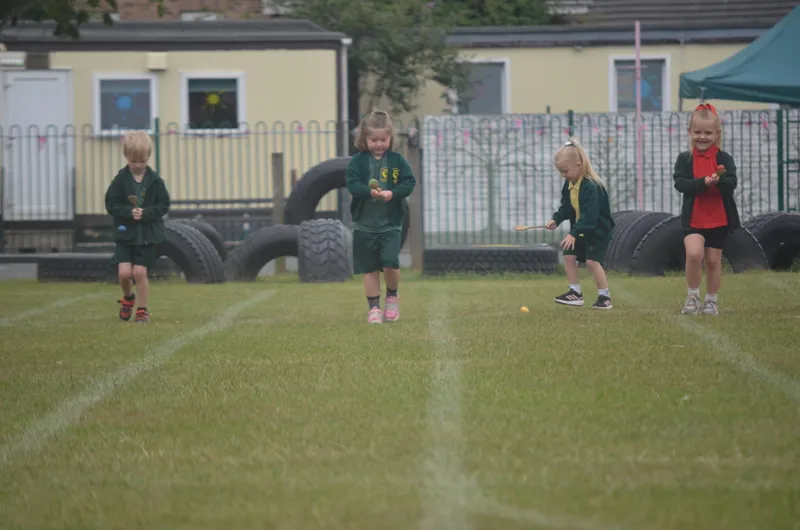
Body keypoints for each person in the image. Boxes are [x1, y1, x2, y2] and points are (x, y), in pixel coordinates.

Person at [345, 109, 416, 324]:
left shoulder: (397, 160)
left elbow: (409, 183)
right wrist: (370, 192)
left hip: (391, 224)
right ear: (364, 139)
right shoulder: (357, 162)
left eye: (383, 139)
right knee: (370, 269)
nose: (378, 144)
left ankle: (392, 297)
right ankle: (374, 308)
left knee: (390, 264)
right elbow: (352, 184)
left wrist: (392, 193)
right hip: (365, 226)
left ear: (390, 138)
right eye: (373, 139)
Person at [673, 102, 739, 316]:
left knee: (712, 261)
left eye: (708, 133)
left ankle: (711, 300)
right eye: (698, 132)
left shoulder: (724, 158)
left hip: (718, 218)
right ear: (689, 132)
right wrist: (703, 182)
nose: (702, 137)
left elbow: (731, 184)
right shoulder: (684, 159)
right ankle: (692, 296)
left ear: (717, 134)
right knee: (693, 253)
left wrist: (718, 179)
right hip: (693, 218)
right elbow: (681, 184)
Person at [104, 130, 171, 323]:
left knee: (139, 273)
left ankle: (142, 310)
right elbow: (111, 204)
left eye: (142, 160)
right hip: (126, 235)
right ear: (126, 157)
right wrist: (128, 213)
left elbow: (163, 205)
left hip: (147, 234)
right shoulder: (120, 180)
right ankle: (128, 299)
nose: (138, 165)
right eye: (134, 161)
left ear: (148, 157)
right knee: (124, 273)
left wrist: (146, 213)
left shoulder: (156, 182)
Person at [546, 138, 615, 309]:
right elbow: (567, 207)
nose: (564, 175)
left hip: (597, 231)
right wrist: (556, 219)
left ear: (579, 164)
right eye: (561, 172)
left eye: (565, 171)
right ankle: (575, 293)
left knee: (592, 262)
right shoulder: (569, 184)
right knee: (568, 255)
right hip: (581, 229)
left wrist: (573, 234)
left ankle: (604, 297)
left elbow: (590, 217)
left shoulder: (591, 187)